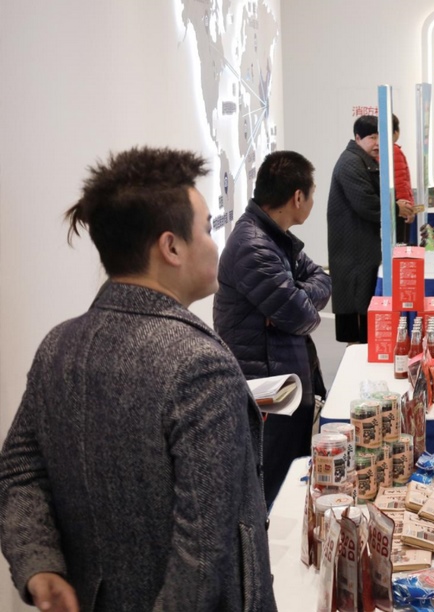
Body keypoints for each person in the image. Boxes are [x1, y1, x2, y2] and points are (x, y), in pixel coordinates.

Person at [0, 147, 275, 611]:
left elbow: (19, 472)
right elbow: (200, 557)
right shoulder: (200, 366)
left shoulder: (58, 347)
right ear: (171, 247)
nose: (215, 244)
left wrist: (39, 566)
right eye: (207, 229)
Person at [215, 150, 331, 508]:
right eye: (312, 194)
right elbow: (302, 316)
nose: (311, 202)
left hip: (283, 378)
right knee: (275, 492)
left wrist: (295, 295)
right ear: (297, 197)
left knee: (290, 483)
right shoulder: (254, 246)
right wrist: (296, 303)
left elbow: (322, 279)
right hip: (269, 390)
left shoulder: (274, 235)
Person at [328, 115, 382, 344]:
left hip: (360, 245)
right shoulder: (351, 162)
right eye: (372, 137)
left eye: (380, 137)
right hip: (353, 249)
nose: (377, 143)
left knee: (362, 299)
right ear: (358, 137)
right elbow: (366, 204)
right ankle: (357, 352)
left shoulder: (362, 159)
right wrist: (395, 208)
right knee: (357, 303)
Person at [392, 114, 417, 244]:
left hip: (392, 205)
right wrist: (407, 208)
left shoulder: (381, 151)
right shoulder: (394, 151)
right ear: (396, 132)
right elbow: (400, 182)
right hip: (399, 207)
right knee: (400, 244)